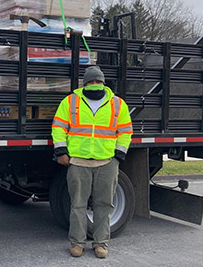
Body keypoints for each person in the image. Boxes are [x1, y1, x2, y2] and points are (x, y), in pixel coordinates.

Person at [51, 65, 133, 259]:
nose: (94, 85)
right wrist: (61, 151)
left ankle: (101, 244)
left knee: (104, 204)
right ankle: (77, 243)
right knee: (77, 205)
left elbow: (126, 132)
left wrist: (118, 156)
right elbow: (58, 127)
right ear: (85, 83)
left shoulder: (117, 104)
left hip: (106, 162)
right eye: (91, 82)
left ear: (103, 83)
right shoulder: (71, 102)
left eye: (97, 82)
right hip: (78, 162)